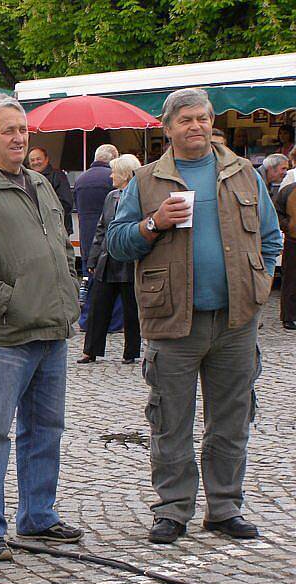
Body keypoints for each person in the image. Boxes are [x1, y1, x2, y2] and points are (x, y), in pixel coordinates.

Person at [107, 88, 282, 544]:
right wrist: (154, 223)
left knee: (232, 420)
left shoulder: (244, 173)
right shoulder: (146, 181)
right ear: (167, 128)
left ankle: (225, 507)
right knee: (170, 422)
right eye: (186, 120)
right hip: (172, 322)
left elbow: (271, 236)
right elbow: (117, 243)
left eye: (203, 118)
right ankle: (172, 509)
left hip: (235, 322)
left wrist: (260, 286)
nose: (197, 126)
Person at [0, 94, 83, 562]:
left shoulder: (41, 185)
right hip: (5, 336)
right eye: (8, 130)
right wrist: (12, 305)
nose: (19, 137)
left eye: (22, 129)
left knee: (46, 427)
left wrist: (67, 290)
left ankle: (37, 515)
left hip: (53, 330)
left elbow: (61, 245)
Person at [78, 154, 142, 365]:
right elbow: (101, 229)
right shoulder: (111, 196)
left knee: (131, 309)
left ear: (125, 174)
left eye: (114, 171)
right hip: (108, 259)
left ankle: (130, 351)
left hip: (130, 260)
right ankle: (91, 350)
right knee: (98, 306)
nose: (111, 175)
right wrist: (93, 260)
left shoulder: (140, 196)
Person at [73, 144, 119, 276]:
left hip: (85, 238)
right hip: (107, 241)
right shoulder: (113, 178)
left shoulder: (80, 179)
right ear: (114, 158)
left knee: (89, 284)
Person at [27, 146, 74, 234]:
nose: (35, 162)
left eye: (38, 159)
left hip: (58, 229)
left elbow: (66, 203)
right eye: (32, 160)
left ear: (46, 159)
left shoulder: (58, 176)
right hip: (34, 229)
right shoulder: (26, 178)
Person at [274, 181, 296, 330]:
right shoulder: (289, 191)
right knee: (291, 279)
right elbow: (277, 212)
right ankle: (289, 316)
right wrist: (288, 227)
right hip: (293, 240)